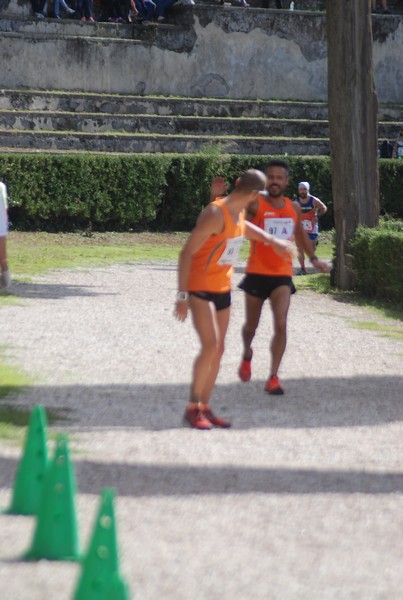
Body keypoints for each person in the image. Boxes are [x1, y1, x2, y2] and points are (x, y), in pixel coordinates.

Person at [174, 168, 295, 430]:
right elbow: (186, 253)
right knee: (210, 346)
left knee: (219, 350)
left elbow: (246, 229)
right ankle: (191, 408)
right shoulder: (215, 213)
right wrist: (182, 295)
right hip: (199, 287)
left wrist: (273, 240)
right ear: (252, 194)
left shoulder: (238, 211)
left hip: (222, 288)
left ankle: (204, 406)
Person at [237, 160, 328, 396]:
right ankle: (247, 353)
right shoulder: (256, 203)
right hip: (257, 272)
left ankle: (273, 376)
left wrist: (314, 258)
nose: (275, 181)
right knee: (251, 326)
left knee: (281, 322)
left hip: (281, 275)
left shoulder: (293, 208)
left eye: (280, 177)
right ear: (267, 180)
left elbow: (301, 237)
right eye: (271, 177)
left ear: (287, 182)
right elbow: (241, 225)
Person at [294, 181, 327, 275]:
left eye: (304, 189)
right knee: (299, 249)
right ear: (299, 190)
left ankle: (314, 242)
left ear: (308, 190)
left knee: (311, 249)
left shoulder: (314, 200)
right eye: (301, 189)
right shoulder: (296, 201)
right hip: (300, 227)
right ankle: (302, 269)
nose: (302, 191)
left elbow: (324, 208)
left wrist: (317, 216)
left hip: (311, 227)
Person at [0, 181, 11, 291]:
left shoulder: (1, 186)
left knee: (2, 256)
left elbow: (5, 208)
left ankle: (5, 276)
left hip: (1, 224)